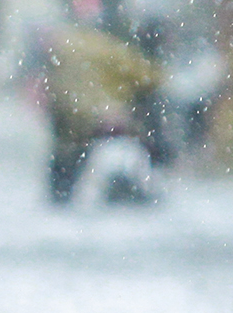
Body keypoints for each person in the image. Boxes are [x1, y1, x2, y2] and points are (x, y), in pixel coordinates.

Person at [40, 21, 165, 203]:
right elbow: (149, 76)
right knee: (147, 140)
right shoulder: (111, 49)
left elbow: (55, 88)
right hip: (108, 116)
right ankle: (146, 183)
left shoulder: (63, 50)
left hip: (74, 119)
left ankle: (61, 194)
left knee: (65, 159)